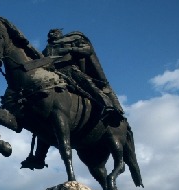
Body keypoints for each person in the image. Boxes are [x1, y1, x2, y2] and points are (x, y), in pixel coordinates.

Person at [22, 28, 125, 170]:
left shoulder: (72, 40)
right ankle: (39, 157)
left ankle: (108, 105)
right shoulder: (47, 49)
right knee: (43, 112)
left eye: (55, 33)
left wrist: (69, 49)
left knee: (90, 86)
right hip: (54, 78)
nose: (52, 35)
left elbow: (87, 50)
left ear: (60, 34)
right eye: (50, 34)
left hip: (70, 71)